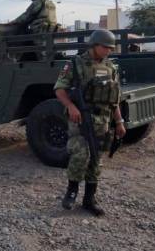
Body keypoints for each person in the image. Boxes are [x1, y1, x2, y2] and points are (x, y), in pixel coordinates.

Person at [53, 29, 126, 216]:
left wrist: (119, 122)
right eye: (105, 47)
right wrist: (71, 106)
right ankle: (71, 191)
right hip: (81, 119)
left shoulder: (111, 67)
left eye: (111, 48)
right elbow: (60, 89)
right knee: (81, 154)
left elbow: (114, 99)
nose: (108, 51)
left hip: (103, 120)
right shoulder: (76, 64)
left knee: (96, 159)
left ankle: (89, 199)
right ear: (94, 45)